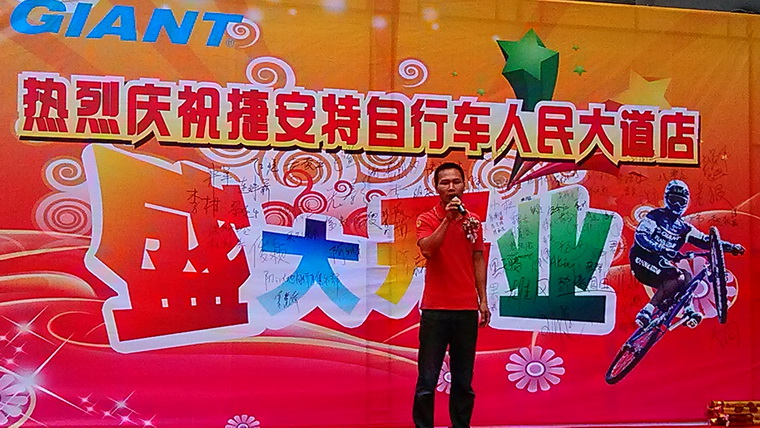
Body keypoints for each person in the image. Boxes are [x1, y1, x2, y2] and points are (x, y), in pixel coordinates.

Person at [413, 162, 491, 428]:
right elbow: (428, 250)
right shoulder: (427, 218)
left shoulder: (473, 221)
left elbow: (478, 258)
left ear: (464, 185)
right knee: (427, 379)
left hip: (466, 310)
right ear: (436, 187)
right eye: (445, 183)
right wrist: (447, 219)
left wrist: (483, 300)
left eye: (456, 182)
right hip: (435, 311)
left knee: (463, 381)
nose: (451, 187)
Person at [630, 179, 744, 329]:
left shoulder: (684, 228)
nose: (677, 205)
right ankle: (646, 311)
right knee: (677, 276)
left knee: (686, 277)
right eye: (673, 200)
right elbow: (641, 236)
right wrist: (662, 249)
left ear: (686, 203)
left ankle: (688, 311)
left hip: (660, 266)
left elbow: (706, 241)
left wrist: (731, 247)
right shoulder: (655, 216)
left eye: (681, 201)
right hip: (641, 258)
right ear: (666, 199)